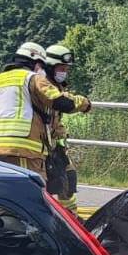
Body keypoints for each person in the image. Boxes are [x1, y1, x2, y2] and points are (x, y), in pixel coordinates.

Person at [0, 42, 86, 180]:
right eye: (41, 65)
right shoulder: (32, 78)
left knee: (9, 195)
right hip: (25, 152)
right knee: (33, 194)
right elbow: (59, 101)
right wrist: (84, 103)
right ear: (35, 62)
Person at [43, 44, 92, 212]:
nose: (64, 72)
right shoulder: (41, 85)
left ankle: (71, 219)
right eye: (61, 68)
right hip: (40, 149)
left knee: (68, 180)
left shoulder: (55, 86)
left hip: (54, 147)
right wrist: (84, 103)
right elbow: (64, 102)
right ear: (49, 67)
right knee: (47, 187)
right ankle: (60, 221)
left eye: (66, 68)